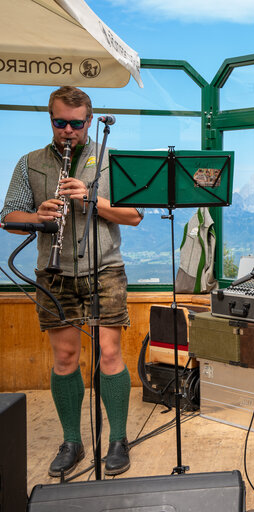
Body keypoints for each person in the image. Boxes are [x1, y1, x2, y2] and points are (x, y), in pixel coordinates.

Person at [1, 86, 143, 477]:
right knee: (64, 359)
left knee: (110, 354)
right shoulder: (30, 163)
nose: (68, 131)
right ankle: (71, 441)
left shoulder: (110, 160)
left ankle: (117, 439)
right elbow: (9, 217)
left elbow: (134, 215)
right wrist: (38, 217)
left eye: (76, 124)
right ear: (51, 120)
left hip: (105, 268)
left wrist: (90, 202)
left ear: (89, 121)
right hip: (53, 271)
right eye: (60, 122)